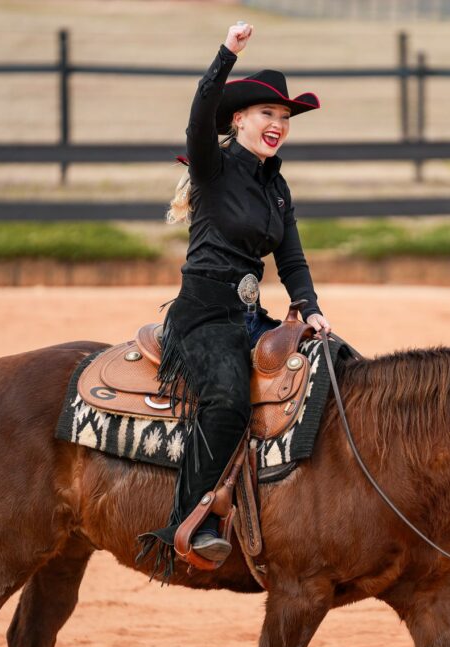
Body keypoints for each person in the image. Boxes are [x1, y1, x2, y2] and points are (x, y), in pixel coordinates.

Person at [139, 22, 332, 569]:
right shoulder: (213, 165)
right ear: (241, 119)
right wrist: (228, 52)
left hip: (248, 316)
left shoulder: (277, 186)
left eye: (285, 119)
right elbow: (199, 115)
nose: (278, 125)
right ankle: (187, 524)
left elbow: (290, 258)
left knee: (333, 369)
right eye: (268, 114)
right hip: (202, 315)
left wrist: (311, 309)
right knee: (225, 401)